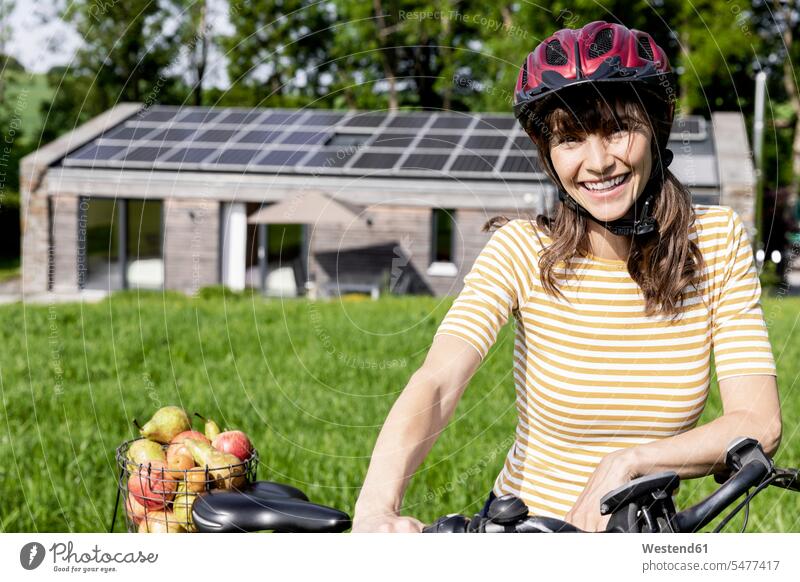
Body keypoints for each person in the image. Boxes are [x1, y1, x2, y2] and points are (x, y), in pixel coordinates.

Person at [351, 21, 781, 533]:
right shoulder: (520, 249)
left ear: (655, 129)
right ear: (549, 155)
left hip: (640, 536)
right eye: (571, 138)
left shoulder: (716, 242)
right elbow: (439, 382)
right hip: (522, 532)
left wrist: (631, 463)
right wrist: (375, 508)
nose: (598, 162)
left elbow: (759, 422)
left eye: (617, 128)